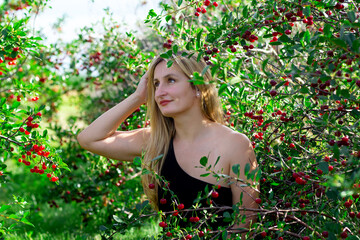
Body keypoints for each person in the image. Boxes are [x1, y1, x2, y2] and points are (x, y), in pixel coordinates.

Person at [77, 51, 259, 236]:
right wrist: (138, 97)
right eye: (156, 84)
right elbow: (88, 139)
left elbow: (245, 228)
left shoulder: (235, 145)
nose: (160, 92)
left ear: (198, 86)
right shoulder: (155, 141)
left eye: (171, 80)